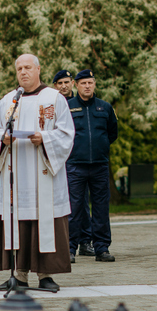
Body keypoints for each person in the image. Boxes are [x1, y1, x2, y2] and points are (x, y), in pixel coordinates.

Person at [0, 54, 75, 291]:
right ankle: (20, 276)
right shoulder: (9, 100)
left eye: (27, 67)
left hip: (44, 172)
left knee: (44, 221)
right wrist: (2, 138)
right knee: (18, 222)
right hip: (17, 174)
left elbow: (67, 133)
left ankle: (45, 275)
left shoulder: (54, 98)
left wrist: (44, 138)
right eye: (19, 69)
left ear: (38, 69)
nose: (23, 72)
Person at [66, 69, 118, 262]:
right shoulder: (67, 107)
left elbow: (112, 133)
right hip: (75, 165)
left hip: (99, 165)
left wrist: (100, 147)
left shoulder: (105, 107)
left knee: (101, 209)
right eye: (83, 83)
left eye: (90, 82)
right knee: (74, 209)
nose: (87, 86)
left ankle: (102, 248)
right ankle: (69, 249)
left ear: (94, 84)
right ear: (76, 85)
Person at [53, 69, 94, 258]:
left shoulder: (80, 103)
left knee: (81, 203)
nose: (64, 86)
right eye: (60, 83)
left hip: (78, 159)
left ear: (73, 84)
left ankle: (85, 241)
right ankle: (64, 242)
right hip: (60, 159)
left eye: (66, 82)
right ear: (55, 86)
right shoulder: (54, 104)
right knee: (66, 202)